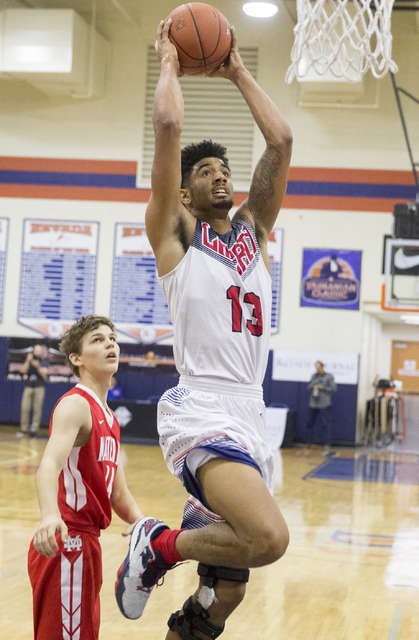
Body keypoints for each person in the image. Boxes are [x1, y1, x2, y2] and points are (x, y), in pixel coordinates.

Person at [115, 18, 292, 640]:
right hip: (204, 407)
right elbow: (167, 127)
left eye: (224, 168)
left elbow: (280, 141)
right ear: (184, 194)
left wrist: (237, 69)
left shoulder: (254, 232)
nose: (220, 174)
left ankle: (185, 624)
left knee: (224, 595)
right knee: (269, 538)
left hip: (252, 411)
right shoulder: (176, 237)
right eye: (205, 170)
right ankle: (159, 544)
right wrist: (169, 59)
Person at [28, 315, 147, 640]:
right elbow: (48, 465)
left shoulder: (108, 416)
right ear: (76, 359)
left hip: (87, 544)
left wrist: (141, 522)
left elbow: (117, 493)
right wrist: (50, 514)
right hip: (66, 538)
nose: (110, 343)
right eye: (97, 339)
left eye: (112, 338)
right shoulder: (76, 405)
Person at [16, 343, 49, 438]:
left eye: (39, 350)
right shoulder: (29, 359)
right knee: (25, 407)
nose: (37, 352)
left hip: (39, 386)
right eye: (35, 350)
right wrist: (28, 360)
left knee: (37, 408)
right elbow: (23, 371)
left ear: (42, 352)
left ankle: (34, 429)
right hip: (28, 386)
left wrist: (37, 365)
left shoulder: (44, 359)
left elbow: (44, 373)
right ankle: (24, 429)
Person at [306, 361, 337, 447]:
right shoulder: (314, 376)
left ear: (322, 367)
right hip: (313, 402)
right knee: (309, 422)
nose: (316, 369)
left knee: (326, 423)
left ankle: (327, 442)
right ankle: (309, 441)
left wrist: (322, 387)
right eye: (315, 367)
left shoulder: (329, 377)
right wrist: (313, 385)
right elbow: (309, 386)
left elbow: (334, 388)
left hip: (324, 403)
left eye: (318, 367)